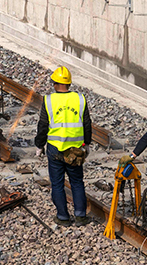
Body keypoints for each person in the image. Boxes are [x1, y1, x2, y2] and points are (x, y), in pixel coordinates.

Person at [35, 66, 92, 226]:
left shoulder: (49, 100)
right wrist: (87, 143)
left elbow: (43, 125)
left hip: (55, 149)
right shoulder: (80, 99)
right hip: (75, 149)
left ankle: (63, 217)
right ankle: (80, 216)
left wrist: (39, 145)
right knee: (77, 182)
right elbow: (87, 123)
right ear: (69, 83)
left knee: (58, 183)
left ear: (54, 83)